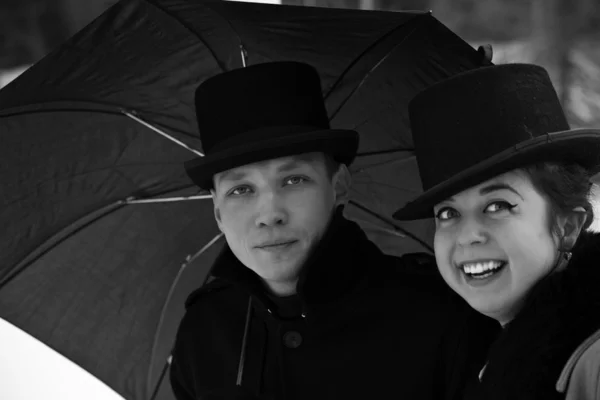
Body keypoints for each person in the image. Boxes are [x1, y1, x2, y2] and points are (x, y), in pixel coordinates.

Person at [169, 61, 495, 400]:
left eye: (294, 180)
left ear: (339, 186)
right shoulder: (203, 331)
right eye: (241, 190)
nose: (270, 214)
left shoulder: (440, 314)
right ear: (218, 210)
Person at [393, 63, 600, 400]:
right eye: (447, 213)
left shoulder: (592, 361)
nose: (467, 235)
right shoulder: (488, 358)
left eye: (498, 206)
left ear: (567, 225)